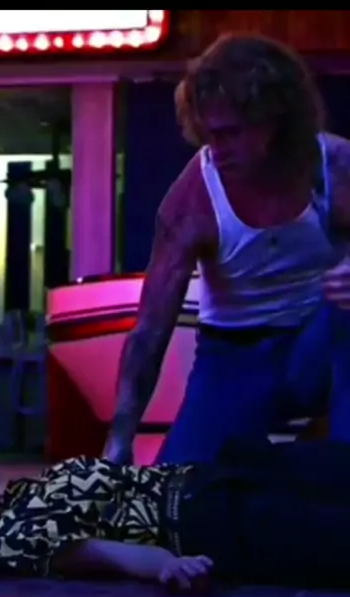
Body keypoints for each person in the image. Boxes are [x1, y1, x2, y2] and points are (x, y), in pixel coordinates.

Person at [104, 33, 350, 466]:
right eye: (209, 134)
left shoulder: (335, 167)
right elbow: (149, 332)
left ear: (274, 119)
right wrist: (119, 441)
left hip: (315, 346)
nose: (218, 151)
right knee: (179, 488)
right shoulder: (193, 200)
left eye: (232, 134)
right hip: (234, 358)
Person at [0, 439, 350, 593]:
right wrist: (167, 565)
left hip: (216, 478)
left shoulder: (18, 496)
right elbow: (102, 554)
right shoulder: (13, 539)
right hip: (214, 520)